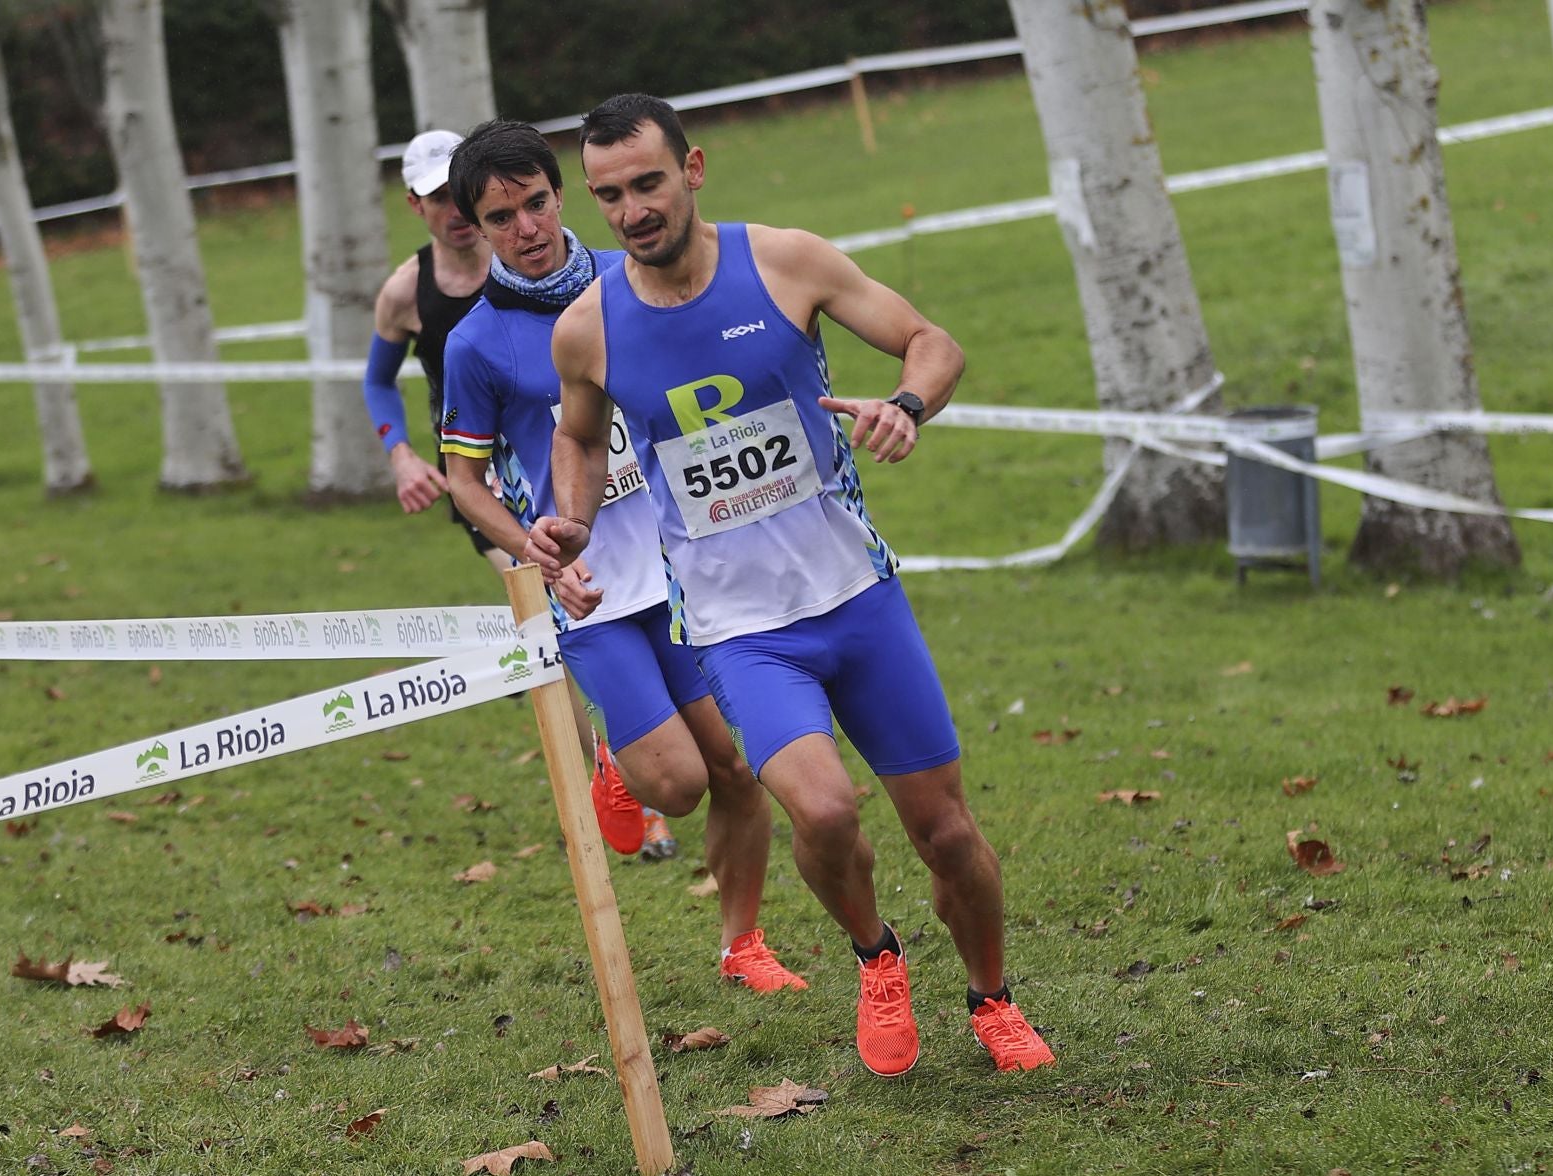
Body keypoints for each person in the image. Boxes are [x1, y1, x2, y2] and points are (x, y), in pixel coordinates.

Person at [523, 94, 1055, 1075]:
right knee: (825, 811)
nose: (634, 210)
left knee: (946, 833)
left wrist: (905, 406)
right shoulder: (587, 327)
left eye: (649, 183)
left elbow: (932, 342)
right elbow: (580, 438)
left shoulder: (785, 261)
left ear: (693, 168)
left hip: (856, 598)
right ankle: (877, 955)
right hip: (739, 630)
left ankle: (992, 997)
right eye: (610, 195)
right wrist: (573, 524)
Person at [435, 119, 804, 993]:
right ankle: (616, 757)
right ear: (474, 228)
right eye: (500, 218)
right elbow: (464, 481)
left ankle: (742, 943)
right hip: (589, 587)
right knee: (676, 787)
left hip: (686, 570)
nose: (526, 229)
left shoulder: (633, 279)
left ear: (562, 194)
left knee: (738, 770)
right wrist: (533, 548)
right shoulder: (476, 343)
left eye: (535, 203)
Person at [363, 129, 669, 859]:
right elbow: (376, 381)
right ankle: (618, 766)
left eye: (458, 196)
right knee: (556, 620)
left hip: (599, 472)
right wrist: (401, 455)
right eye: (437, 199)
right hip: (498, 486)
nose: (453, 213)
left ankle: (632, 755)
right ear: (418, 206)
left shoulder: (571, 266)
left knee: (597, 622)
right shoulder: (409, 292)